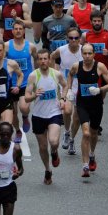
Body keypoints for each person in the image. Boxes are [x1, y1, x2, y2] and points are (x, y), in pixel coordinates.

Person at [66, 43, 108, 178]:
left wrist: (100, 89)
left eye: (89, 53)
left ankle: (92, 154)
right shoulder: (77, 66)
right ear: (82, 54)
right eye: (85, 53)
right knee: (86, 133)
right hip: (82, 104)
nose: (87, 56)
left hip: (96, 104)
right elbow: (70, 75)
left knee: (93, 133)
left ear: (94, 54)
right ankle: (85, 165)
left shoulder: (100, 66)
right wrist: (69, 89)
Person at [24, 49, 67, 184]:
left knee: (53, 141)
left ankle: (54, 152)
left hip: (54, 113)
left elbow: (65, 86)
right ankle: (48, 170)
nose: (43, 61)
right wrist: (34, 95)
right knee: (43, 147)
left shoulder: (56, 74)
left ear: (49, 60)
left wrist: (63, 99)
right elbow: (26, 98)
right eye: (40, 59)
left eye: (45, 58)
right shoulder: (33, 76)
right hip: (38, 115)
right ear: (37, 61)